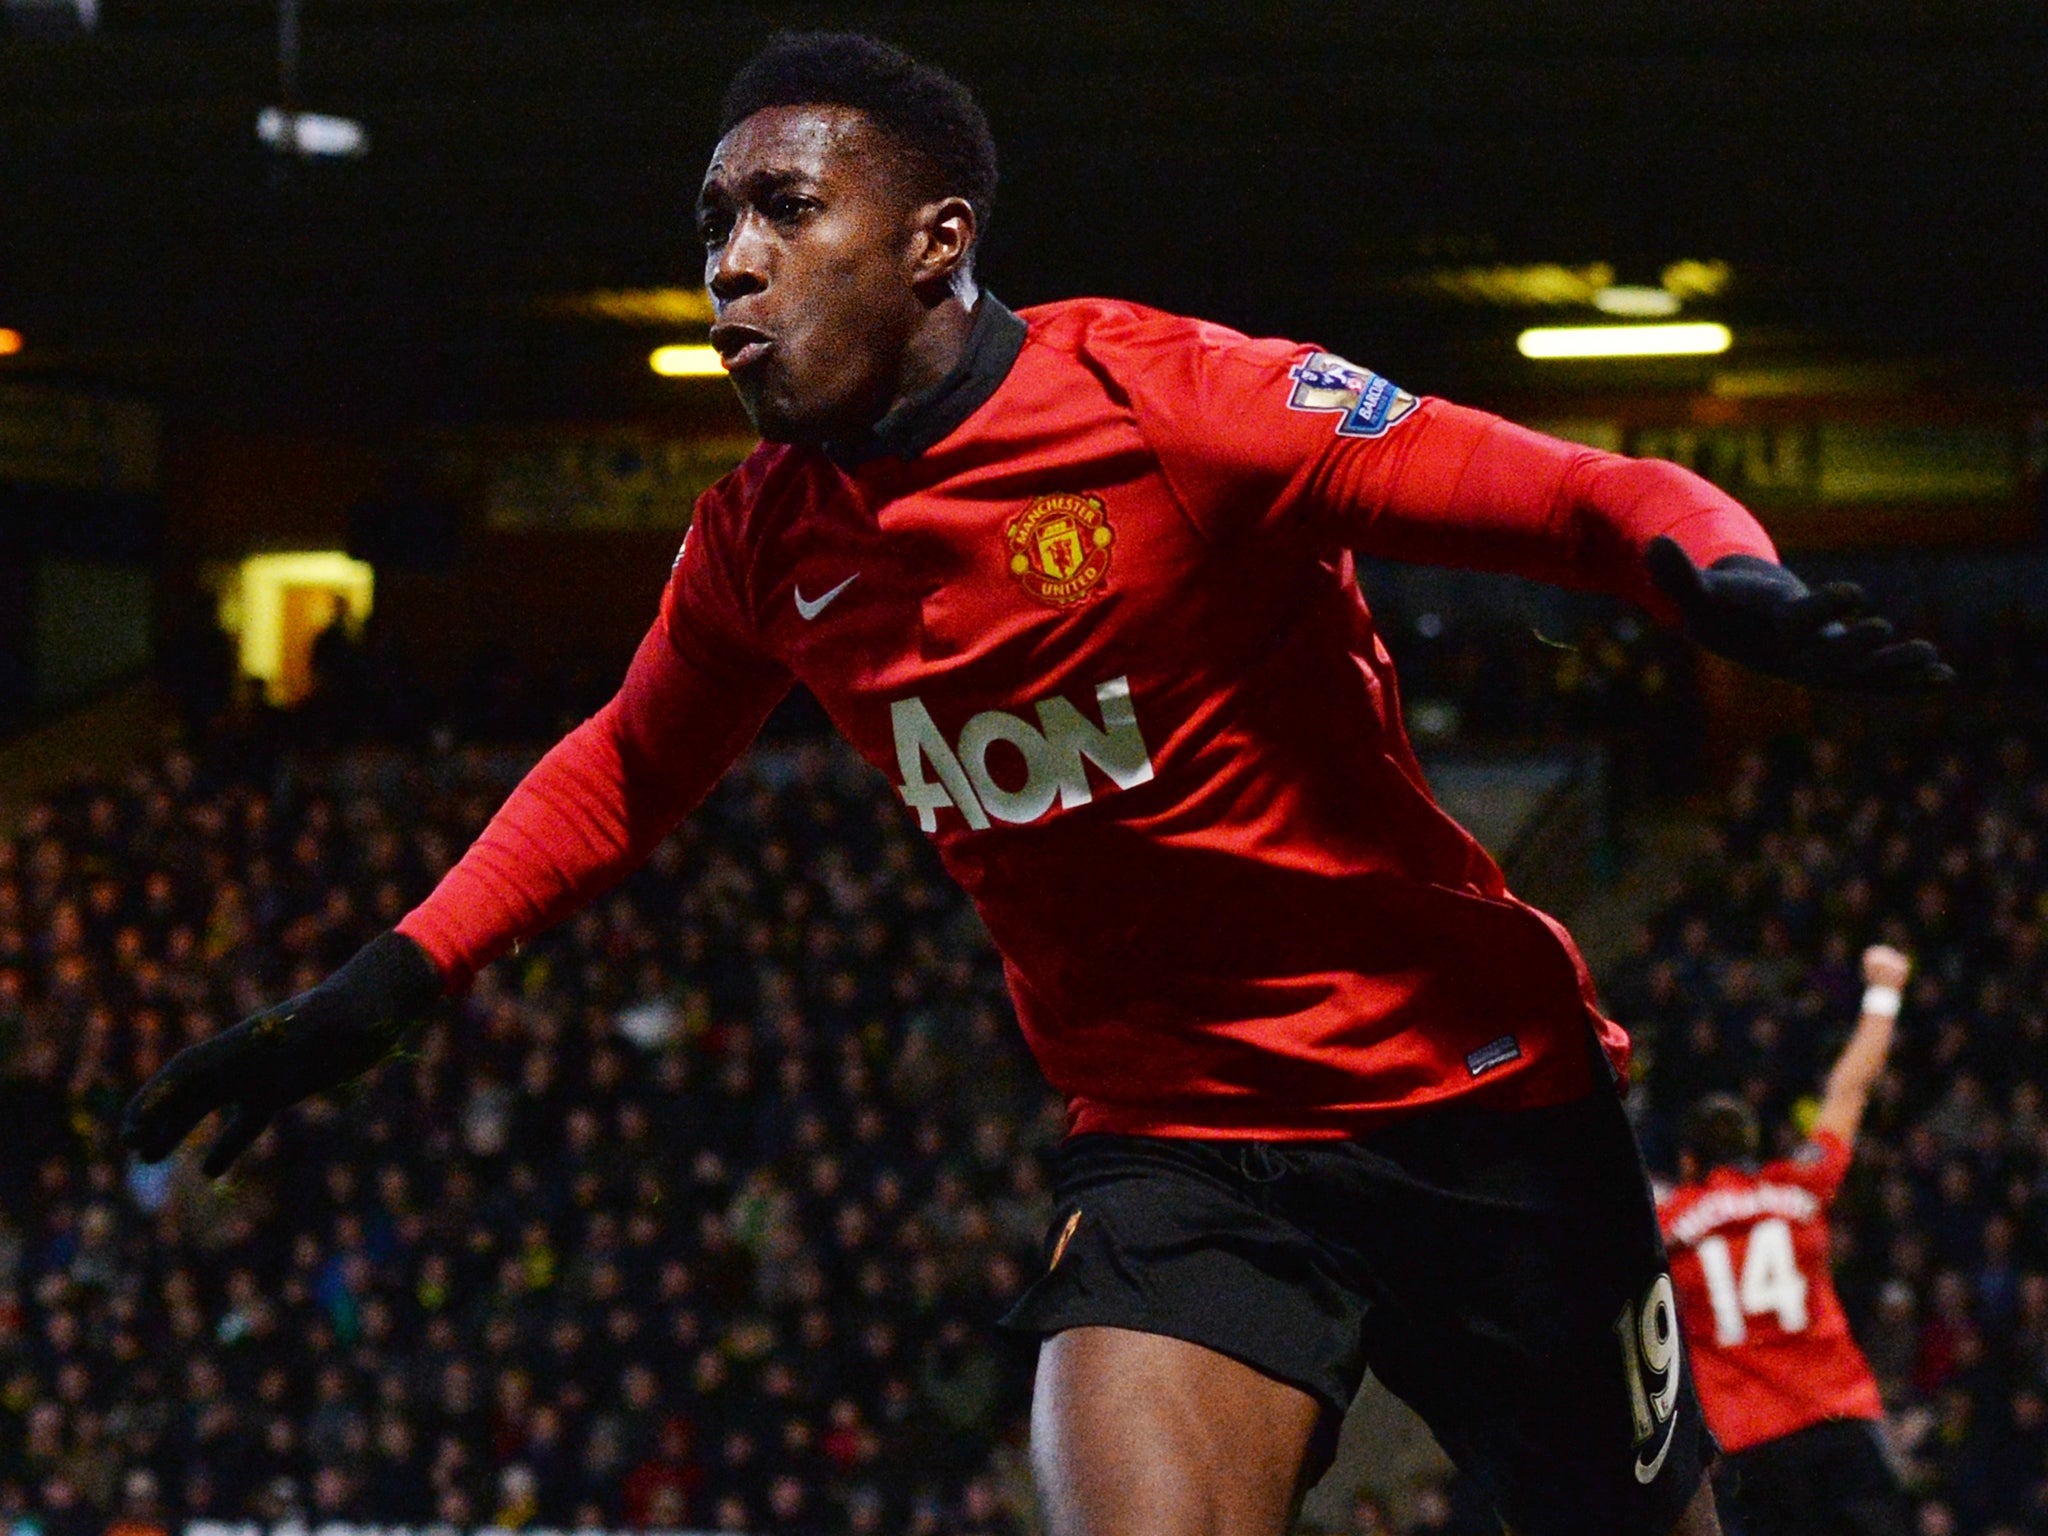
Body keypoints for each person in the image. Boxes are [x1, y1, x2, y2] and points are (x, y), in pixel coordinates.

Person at [121, 32, 1949, 1536]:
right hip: (1178, 1148)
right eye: (709, 225)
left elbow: (1565, 490)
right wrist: (383, 984)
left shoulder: (1169, 404)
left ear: (936, 239)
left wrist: (1727, 582)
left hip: (1474, 1098)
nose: (728, 263)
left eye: (780, 210)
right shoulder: (763, 543)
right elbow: (619, 771)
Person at [1658, 945, 1916, 1536]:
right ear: (1752, 1147)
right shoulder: (1799, 1189)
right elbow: (1850, 1089)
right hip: (1839, 1416)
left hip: (1751, 1446)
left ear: (1690, 1159)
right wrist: (1884, 991)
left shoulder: (1670, 1225)